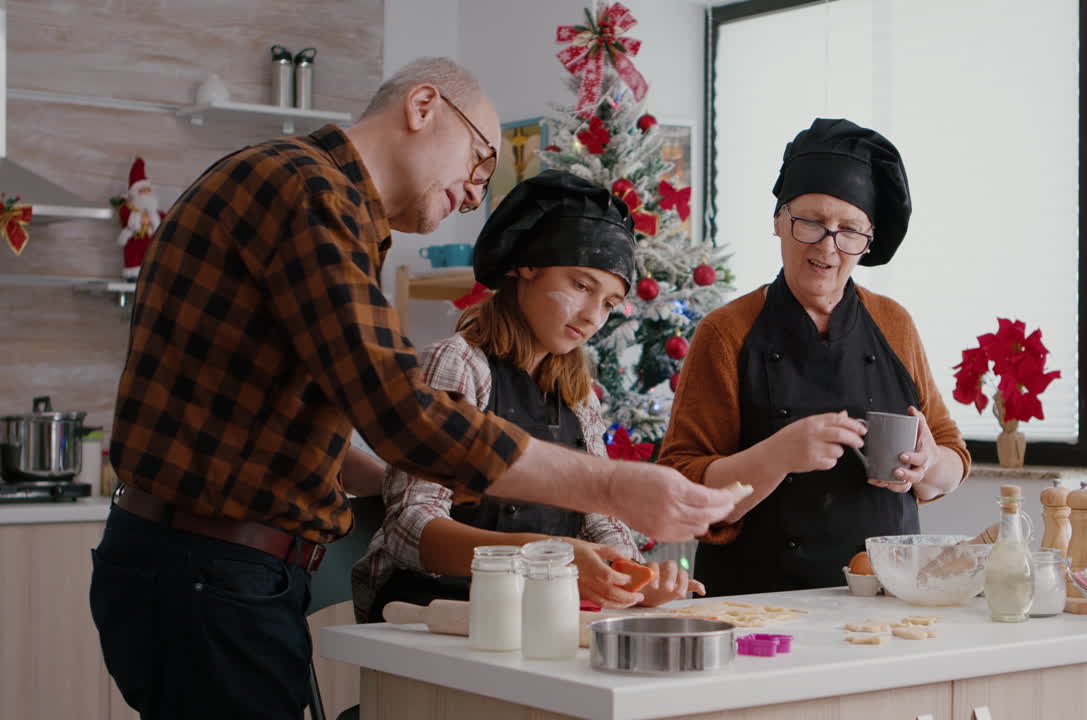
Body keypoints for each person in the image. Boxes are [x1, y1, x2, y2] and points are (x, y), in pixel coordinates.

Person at [90, 57, 736, 720]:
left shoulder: (320, 203)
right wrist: (612, 485)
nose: (476, 192)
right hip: (209, 571)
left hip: (212, 569)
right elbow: (402, 410)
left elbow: (262, 403)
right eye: (480, 161)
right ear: (423, 107)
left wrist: (381, 478)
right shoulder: (304, 192)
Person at [355, 170, 703, 623]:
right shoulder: (459, 365)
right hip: (432, 613)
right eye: (581, 286)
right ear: (527, 267)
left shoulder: (580, 396)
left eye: (609, 303)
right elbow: (410, 528)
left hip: (528, 615)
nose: (593, 315)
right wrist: (546, 555)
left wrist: (631, 577)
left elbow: (599, 516)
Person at [657, 118, 970, 597]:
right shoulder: (726, 332)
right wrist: (776, 456)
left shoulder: (894, 323)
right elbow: (685, 481)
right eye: (811, 222)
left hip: (888, 599)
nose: (828, 245)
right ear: (780, 221)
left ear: (867, 243)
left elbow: (951, 454)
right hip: (760, 604)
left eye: (849, 230)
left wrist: (929, 464)